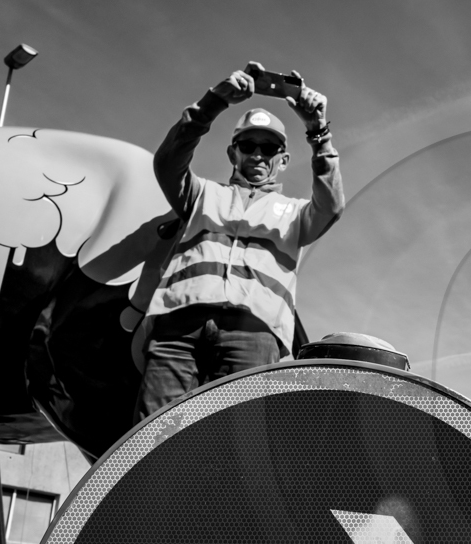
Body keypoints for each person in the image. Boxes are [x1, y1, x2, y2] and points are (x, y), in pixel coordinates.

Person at [135, 62, 345, 420]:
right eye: (249, 145)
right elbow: (168, 162)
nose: (258, 154)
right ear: (233, 153)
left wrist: (318, 131)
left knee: (232, 444)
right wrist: (214, 102)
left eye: (269, 148)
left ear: (284, 160)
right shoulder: (201, 194)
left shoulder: (295, 213)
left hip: (255, 336)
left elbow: (332, 206)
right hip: (178, 328)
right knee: (154, 435)